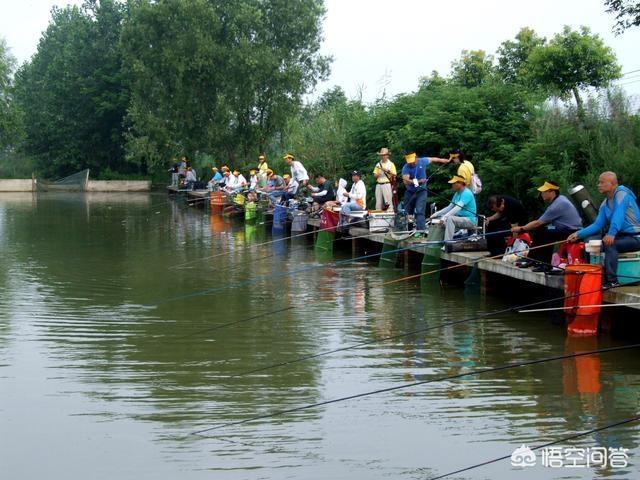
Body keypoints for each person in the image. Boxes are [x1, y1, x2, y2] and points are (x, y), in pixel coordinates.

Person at [568, 172, 640, 286]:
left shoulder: (622, 193)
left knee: (610, 244)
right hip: (621, 237)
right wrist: (578, 234)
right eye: (598, 182)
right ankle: (591, 276)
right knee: (590, 246)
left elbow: (619, 215)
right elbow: (597, 225)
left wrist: (611, 233)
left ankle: (612, 281)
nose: (598, 185)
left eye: (602, 182)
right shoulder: (605, 204)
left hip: (636, 237)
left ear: (612, 183)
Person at [512, 181, 583, 271]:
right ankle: (532, 259)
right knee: (541, 229)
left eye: (544, 191)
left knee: (546, 232)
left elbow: (538, 223)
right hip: (561, 228)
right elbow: (540, 223)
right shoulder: (559, 199)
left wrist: (521, 228)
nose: (541, 194)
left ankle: (545, 264)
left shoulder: (558, 204)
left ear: (552, 192)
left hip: (571, 231)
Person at [429, 175, 477, 242]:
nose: (452, 185)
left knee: (450, 219)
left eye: (454, 183)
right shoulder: (457, 193)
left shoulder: (467, 193)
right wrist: (437, 214)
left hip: (470, 220)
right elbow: (450, 207)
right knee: (438, 219)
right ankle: (438, 242)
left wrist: (445, 217)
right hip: (459, 218)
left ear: (460, 183)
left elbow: (457, 207)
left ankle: (448, 243)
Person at [401, 153, 429, 237]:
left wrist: (446, 160)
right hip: (410, 192)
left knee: (420, 211)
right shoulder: (406, 167)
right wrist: (419, 182)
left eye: (412, 161)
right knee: (407, 211)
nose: (411, 163)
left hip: (421, 191)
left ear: (416, 158)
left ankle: (421, 231)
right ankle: (408, 230)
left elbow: (434, 159)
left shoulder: (422, 161)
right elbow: (405, 181)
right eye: (409, 162)